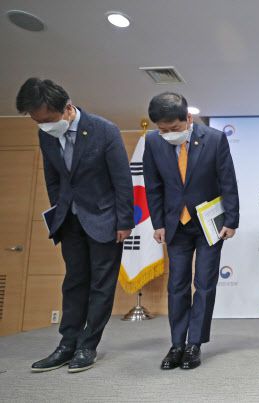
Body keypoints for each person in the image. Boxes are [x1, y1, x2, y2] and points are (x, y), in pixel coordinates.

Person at [16, 78, 134, 373]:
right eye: (37, 122)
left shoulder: (104, 130)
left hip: (105, 219)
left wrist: (124, 222)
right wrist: (59, 211)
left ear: (67, 108)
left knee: (101, 285)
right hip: (69, 220)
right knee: (73, 282)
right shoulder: (46, 135)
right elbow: (53, 178)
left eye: (47, 120)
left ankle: (87, 346)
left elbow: (122, 180)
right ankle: (66, 344)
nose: (44, 126)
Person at [143, 92, 239, 370]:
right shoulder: (153, 142)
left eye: (174, 128)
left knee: (205, 283)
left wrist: (231, 220)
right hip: (175, 224)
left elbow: (228, 181)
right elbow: (153, 186)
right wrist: (158, 223)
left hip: (210, 224)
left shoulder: (215, 139)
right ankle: (177, 344)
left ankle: (194, 344)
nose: (168, 134)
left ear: (188, 118)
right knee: (177, 284)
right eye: (163, 130)